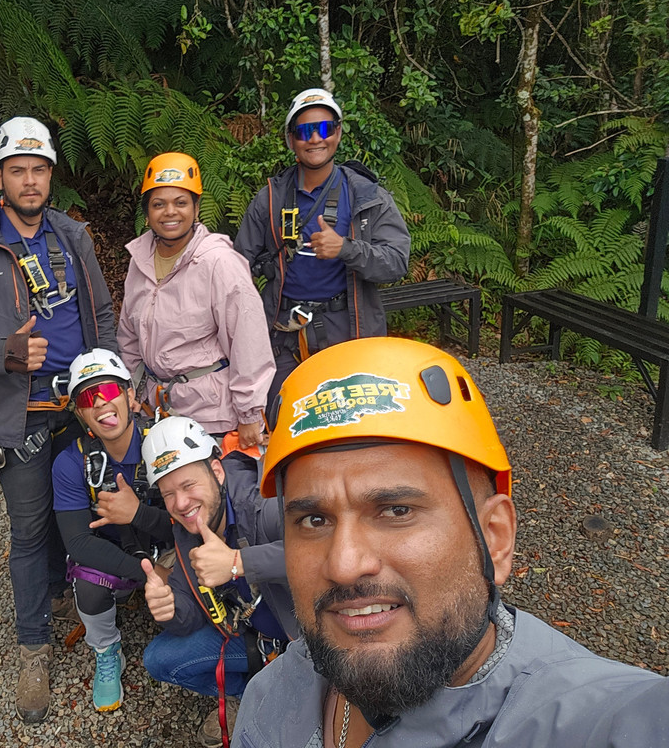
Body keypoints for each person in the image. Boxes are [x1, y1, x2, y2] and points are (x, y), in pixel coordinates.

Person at [233, 337, 669, 747]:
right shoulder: (274, 688)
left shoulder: (586, 716)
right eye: (313, 519)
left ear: (494, 539)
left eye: (397, 511)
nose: (344, 564)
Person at [0, 116, 116, 724]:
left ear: (51, 176)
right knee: (31, 530)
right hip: (19, 413)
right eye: (18, 170)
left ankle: (73, 598)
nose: (30, 181)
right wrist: (2, 353)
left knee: (83, 512)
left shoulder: (73, 237)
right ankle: (32, 645)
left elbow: (101, 311)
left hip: (81, 404)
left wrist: (109, 377)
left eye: (39, 170)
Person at [233, 88, 410, 404]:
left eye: (325, 128)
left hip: (349, 329)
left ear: (338, 133)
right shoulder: (270, 198)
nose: (315, 138)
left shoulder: (366, 195)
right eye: (304, 131)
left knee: (352, 420)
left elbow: (396, 261)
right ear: (291, 140)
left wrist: (346, 249)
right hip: (284, 333)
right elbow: (236, 268)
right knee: (283, 414)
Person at [138, 415, 296, 748]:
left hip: (309, 639)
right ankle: (254, 695)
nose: (180, 504)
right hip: (256, 639)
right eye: (168, 494)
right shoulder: (187, 533)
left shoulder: (266, 504)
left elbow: (325, 554)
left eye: (188, 485)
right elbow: (191, 613)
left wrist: (239, 564)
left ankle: (290, 695)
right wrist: (170, 608)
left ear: (217, 471)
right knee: (159, 658)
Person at [118, 152, 274, 448]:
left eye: (180, 202)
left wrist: (250, 413)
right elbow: (129, 335)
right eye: (158, 204)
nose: (170, 212)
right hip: (156, 408)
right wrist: (129, 387)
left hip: (210, 413)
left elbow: (248, 339)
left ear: (196, 207)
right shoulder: (140, 262)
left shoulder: (219, 263)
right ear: (147, 213)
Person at [51, 348, 172, 712]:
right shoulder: (71, 462)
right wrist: (150, 574)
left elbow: (199, 523)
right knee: (86, 587)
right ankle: (106, 649)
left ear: (131, 395)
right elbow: (77, 542)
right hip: (118, 559)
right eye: (88, 397)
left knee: (203, 574)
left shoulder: (166, 442)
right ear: (81, 413)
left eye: (109, 390)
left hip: (170, 546)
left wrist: (137, 514)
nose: (101, 403)